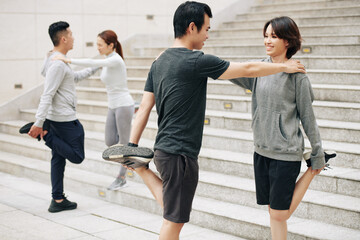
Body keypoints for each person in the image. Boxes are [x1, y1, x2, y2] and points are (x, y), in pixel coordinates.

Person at [102, 2, 305, 239]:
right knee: (173, 221)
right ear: (191, 27)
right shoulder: (196, 61)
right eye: (206, 29)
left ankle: (141, 167)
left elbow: (145, 107)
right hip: (181, 154)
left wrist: (132, 146)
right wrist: (284, 66)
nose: (208, 35)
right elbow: (248, 69)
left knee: (172, 209)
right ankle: (141, 168)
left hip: (163, 150)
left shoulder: (159, 62)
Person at [229, 16, 335, 240]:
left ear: (287, 41)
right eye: (266, 36)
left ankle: (314, 169)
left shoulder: (298, 78)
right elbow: (233, 72)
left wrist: (317, 152)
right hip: (261, 150)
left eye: (274, 36)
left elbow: (308, 118)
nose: (267, 41)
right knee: (273, 212)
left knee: (279, 214)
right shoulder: (259, 69)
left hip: (285, 153)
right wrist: (200, 61)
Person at [25, 21, 99, 212]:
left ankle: (57, 200)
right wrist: (39, 123)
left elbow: (72, 78)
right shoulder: (58, 64)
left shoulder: (55, 60)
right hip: (64, 120)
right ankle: (46, 135)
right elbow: (47, 94)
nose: (74, 37)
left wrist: (95, 66)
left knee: (58, 159)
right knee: (77, 155)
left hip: (57, 117)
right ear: (64, 39)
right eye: (71, 34)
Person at [54, 30, 135, 191]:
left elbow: (92, 63)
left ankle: (121, 178)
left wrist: (68, 59)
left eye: (100, 45)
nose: (97, 47)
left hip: (123, 104)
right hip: (113, 105)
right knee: (110, 141)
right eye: (97, 44)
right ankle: (128, 123)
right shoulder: (106, 60)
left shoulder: (116, 60)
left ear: (111, 45)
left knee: (125, 144)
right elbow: (92, 68)